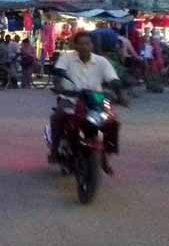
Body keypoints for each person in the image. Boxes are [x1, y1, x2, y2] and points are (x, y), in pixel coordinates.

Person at [48, 31, 123, 175]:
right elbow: (58, 74)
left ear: (92, 45)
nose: (84, 46)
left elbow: (113, 79)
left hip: (96, 98)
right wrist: (58, 86)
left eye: (87, 43)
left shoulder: (101, 61)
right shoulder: (66, 58)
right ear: (75, 46)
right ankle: (54, 150)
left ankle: (106, 154)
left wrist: (119, 95)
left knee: (112, 121)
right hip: (70, 98)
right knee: (58, 116)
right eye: (80, 44)